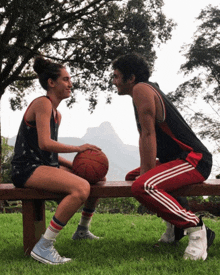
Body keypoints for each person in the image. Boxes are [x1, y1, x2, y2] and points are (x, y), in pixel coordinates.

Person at [112, 53, 215, 260]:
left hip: (194, 159)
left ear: (131, 78)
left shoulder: (141, 89)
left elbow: (148, 134)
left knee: (143, 185)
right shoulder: (144, 90)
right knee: (134, 178)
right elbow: (146, 135)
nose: (113, 81)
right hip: (177, 160)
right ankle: (175, 228)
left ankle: (196, 228)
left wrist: (147, 177)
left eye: (116, 76)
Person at [11, 56, 101, 265]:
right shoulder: (42, 103)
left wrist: (76, 165)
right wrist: (79, 148)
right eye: (66, 79)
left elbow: (48, 152)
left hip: (43, 165)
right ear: (51, 83)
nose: (70, 84)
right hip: (26, 169)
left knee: (95, 176)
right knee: (81, 188)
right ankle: (44, 246)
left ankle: (82, 230)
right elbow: (45, 143)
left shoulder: (56, 113)